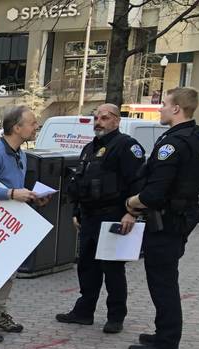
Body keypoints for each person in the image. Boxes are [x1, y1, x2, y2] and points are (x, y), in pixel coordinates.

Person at [124, 87, 199, 349]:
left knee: (163, 283)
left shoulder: (172, 144)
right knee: (166, 279)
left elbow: (153, 193)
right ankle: (164, 332)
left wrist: (131, 203)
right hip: (182, 216)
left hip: (166, 221)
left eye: (164, 104)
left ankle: (166, 343)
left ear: (177, 109)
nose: (161, 108)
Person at [57, 104, 145, 334]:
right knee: (87, 267)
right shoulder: (89, 148)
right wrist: (76, 211)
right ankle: (84, 312)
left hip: (114, 216)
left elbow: (137, 183)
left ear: (116, 120)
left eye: (104, 118)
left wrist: (132, 213)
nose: (99, 122)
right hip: (89, 217)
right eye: (96, 118)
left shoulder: (127, 146)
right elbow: (81, 182)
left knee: (113, 270)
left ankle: (115, 317)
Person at [0, 105, 48, 343]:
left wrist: (32, 197)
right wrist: (13, 194)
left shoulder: (20, 153)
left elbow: (12, 186)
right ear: (17, 128)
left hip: (10, 224)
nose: (36, 127)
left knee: (7, 274)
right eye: (32, 123)